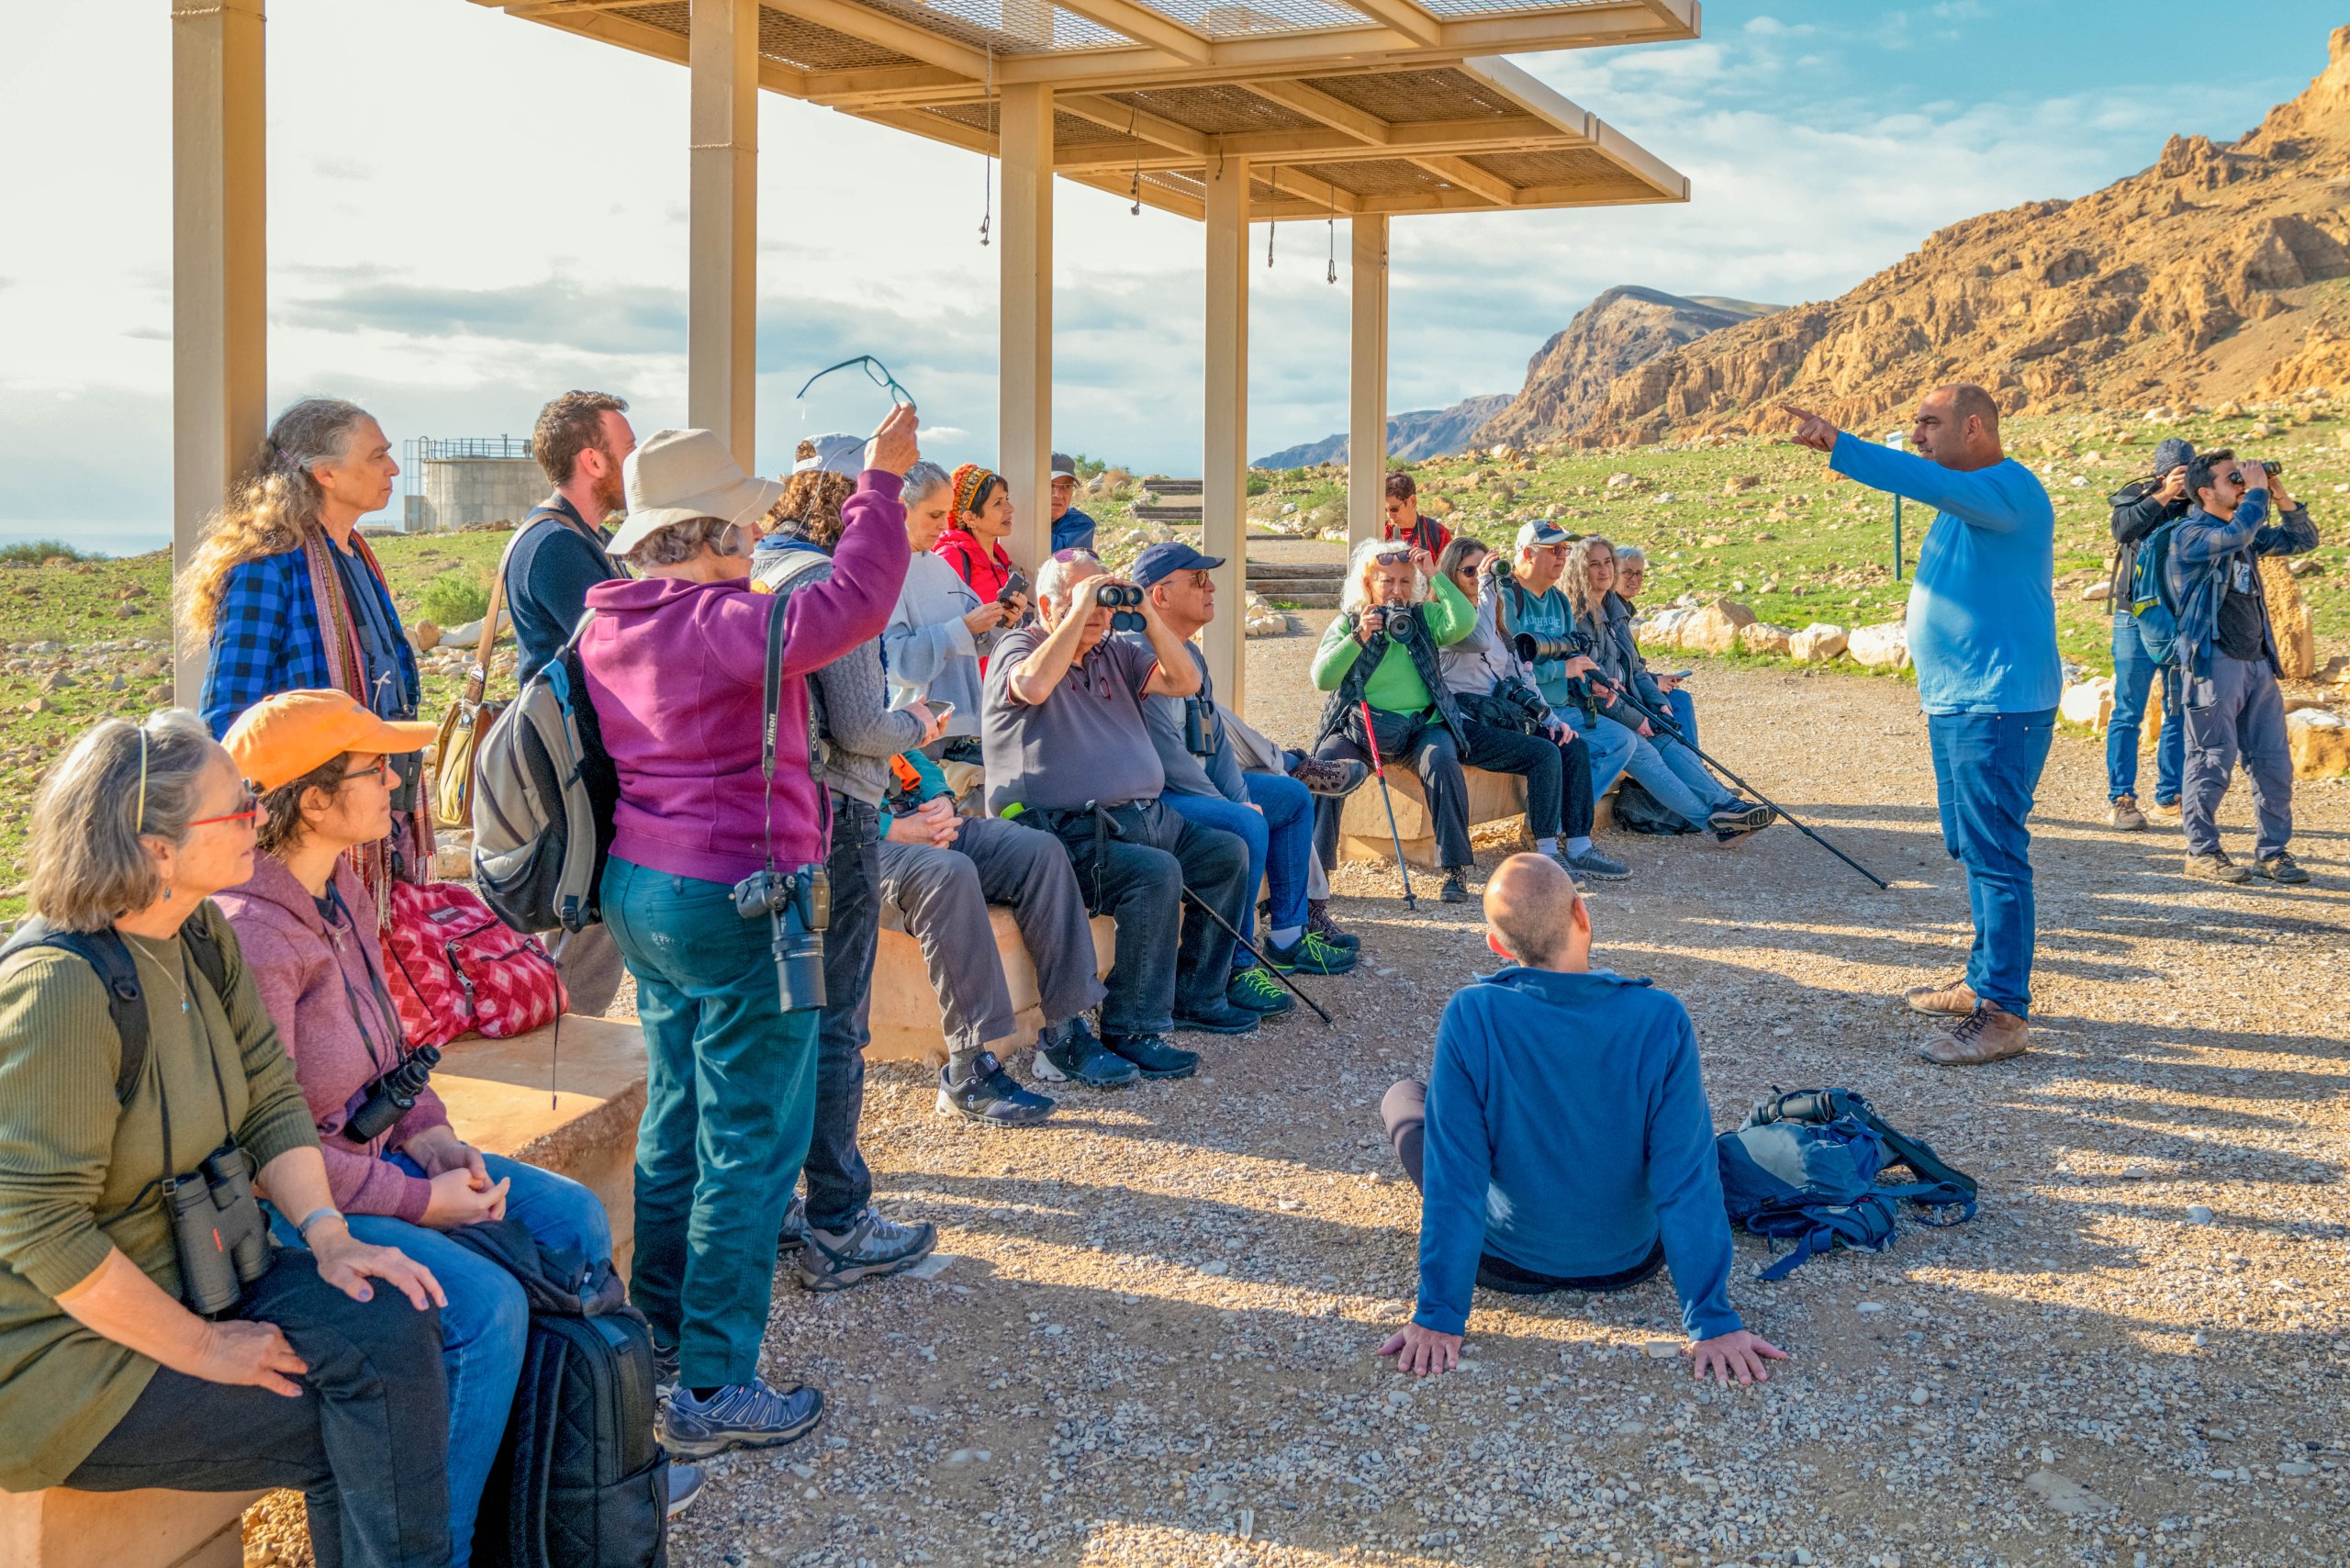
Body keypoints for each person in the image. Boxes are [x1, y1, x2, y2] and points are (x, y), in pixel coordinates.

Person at [213, 690, 676, 1560]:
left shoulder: (340, 885)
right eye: (374, 769)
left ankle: (570, 1476)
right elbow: (270, 1143)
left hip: (380, 1161)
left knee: (570, 1215)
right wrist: (419, 1202)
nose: (396, 782)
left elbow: (396, 1043)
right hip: (301, 1203)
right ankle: (442, 1543)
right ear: (312, 798)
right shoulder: (254, 934)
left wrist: (430, 1135)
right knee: (480, 1309)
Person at [0, 710, 452, 1564]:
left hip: (197, 1271)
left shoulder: (197, 929)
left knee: (392, 1321)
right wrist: (207, 1350)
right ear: (155, 847)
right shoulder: (59, 990)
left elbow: (269, 1097)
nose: (257, 815)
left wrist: (329, 1238)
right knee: (361, 1419)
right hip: (63, 1357)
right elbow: (39, 1229)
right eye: (236, 808)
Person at [578, 411, 914, 1456]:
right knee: (753, 1141)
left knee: (677, 1117)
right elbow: (854, 601)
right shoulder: (718, 622)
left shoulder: (610, 619)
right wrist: (879, 486)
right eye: (739, 526)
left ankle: (664, 1339)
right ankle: (717, 1387)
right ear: (707, 536)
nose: (752, 544)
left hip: (647, 888)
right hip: (740, 897)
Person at [1375, 855, 1787, 1385]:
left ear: (1499, 946)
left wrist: (1439, 1314)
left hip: (1503, 1261)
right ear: (1582, 915)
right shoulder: (1660, 1018)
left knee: (1404, 1098)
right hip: (1630, 1260)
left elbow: (1458, 1180)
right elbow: (1685, 1178)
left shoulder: (1471, 1013)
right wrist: (1712, 1320)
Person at [1785, 386, 2059, 1067]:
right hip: (1959, 704)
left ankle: (2003, 1010)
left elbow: (1923, 479)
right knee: (1972, 845)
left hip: (1996, 705)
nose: (1917, 434)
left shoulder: (2008, 487)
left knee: (1996, 853)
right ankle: (1982, 981)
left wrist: (1840, 446)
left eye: (1929, 422)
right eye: (1913, 423)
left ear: (1974, 427)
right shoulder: (1969, 499)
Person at [751, 438, 951, 1292]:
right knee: (836, 1019)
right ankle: (839, 1216)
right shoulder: (829, 586)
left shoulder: (759, 567)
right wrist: (926, 724)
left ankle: (779, 1208)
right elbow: (865, 726)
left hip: (757, 819)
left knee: (778, 1022)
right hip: (835, 814)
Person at [981, 552, 1258, 1063]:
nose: (1098, 615)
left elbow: (1184, 681)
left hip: (1146, 816)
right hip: (1068, 833)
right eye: (1082, 602)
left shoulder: (1115, 653)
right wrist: (1079, 609)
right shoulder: (1019, 646)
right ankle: (1132, 1027)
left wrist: (1146, 616)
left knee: (1226, 855)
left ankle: (1198, 994)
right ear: (1047, 605)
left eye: (1103, 602)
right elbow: (1034, 686)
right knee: (1154, 874)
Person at [180, 397, 430, 889]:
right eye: (376, 456)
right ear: (326, 474)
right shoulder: (265, 566)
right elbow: (228, 715)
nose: (393, 467)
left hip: (373, 807)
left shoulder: (356, 554)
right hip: (302, 833)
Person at [1130, 541, 1358, 1015]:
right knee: (1246, 822)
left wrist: (1235, 794)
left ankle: (1288, 937)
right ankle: (1235, 965)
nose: (1210, 586)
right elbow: (1167, 756)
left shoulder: (1192, 655)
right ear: (1159, 596)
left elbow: (1211, 742)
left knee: (1291, 796)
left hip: (1194, 787)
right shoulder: (1136, 653)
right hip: (1155, 796)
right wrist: (1231, 806)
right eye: (1197, 579)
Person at [1310, 539, 1572, 905]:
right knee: (1325, 768)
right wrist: (1359, 636)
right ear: (1368, 585)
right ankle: (1317, 874)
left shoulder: (1422, 618)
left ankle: (1454, 869)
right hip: (1363, 728)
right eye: (1387, 582)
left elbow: (1463, 624)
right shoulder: (1348, 623)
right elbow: (1323, 678)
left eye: (1405, 581)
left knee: (1443, 760)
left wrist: (1435, 574)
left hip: (1421, 726)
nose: (1397, 591)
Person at [499, 391, 639, 1014]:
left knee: (584, 922)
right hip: (573, 765)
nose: (637, 463)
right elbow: (624, 648)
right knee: (587, 918)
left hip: (578, 760)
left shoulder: (580, 539)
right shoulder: (556, 547)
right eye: (628, 449)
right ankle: (561, 1055)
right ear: (593, 461)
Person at [876, 746, 1102, 1121]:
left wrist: (939, 801)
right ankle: (968, 1074)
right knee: (949, 873)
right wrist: (894, 829)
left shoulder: (864, 690)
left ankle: (1064, 1034)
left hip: (912, 819)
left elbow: (907, 752)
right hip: (854, 842)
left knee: (1039, 850)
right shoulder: (786, 700)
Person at [1435, 532, 1630, 883]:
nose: (1479, 576)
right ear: (1450, 574)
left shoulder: (1495, 619)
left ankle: (1580, 846)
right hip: (1464, 722)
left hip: (1499, 715)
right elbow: (1476, 637)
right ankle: (1546, 854)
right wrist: (1486, 588)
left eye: (1485, 569)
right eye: (1469, 571)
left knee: (1572, 746)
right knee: (1543, 754)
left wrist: (1551, 719)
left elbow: (1520, 676)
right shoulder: (1446, 621)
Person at [2165, 454, 2319, 885]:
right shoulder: (2190, 534)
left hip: (2257, 663)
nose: (2239, 484)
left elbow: (2303, 539)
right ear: (2205, 492)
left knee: (2273, 763)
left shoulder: (2245, 534)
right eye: (2230, 479)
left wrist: (2276, 492)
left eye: (2241, 477)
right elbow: (2236, 534)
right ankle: (2202, 851)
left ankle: (2273, 854)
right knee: (2211, 760)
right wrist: (2253, 494)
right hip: (2213, 664)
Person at [1565, 535, 1772, 843]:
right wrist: (1638, 719)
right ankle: (1719, 821)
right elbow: (1599, 686)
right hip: (1598, 711)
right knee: (1645, 750)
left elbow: (1636, 669)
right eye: (1594, 564)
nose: (1604, 570)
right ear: (1581, 571)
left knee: (1670, 740)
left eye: (1608, 562)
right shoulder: (1579, 617)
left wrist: (1657, 701)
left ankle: (1726, 807)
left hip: (1627, 706)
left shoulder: (1616, 611)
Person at [1493, 523, 1639, 822]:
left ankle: (1559, 821)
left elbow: (1574, 652)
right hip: (1525, 712)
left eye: (1565, 550)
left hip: (1562, 708)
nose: (1562, 557)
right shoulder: (1506, 598)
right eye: (1554, 550)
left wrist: (1592, 683)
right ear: (1526, 554)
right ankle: (1550, 824)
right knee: (1594, 746)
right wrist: (1564, 669)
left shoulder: (1558, 600)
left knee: (1621, 742)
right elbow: (1508, 668)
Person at [884, 459, 1026, 754]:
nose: (943, 524)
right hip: (915, 738)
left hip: (962, 730)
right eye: (934, 514)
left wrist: (1003, 623)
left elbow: (974, 644)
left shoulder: (938, 566)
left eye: (946, 514)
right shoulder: (884, 570)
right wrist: (962, 628)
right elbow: (894, 664)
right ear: (900, 507)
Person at [2103, 439, 2194, 830]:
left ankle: (2169, 795)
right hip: (2134, 617)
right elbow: (2123, 530)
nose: (2182, 481)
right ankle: (2121, 798)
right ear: (2160, 472)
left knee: (2178, 708)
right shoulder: (2136, 497)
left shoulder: (2200, 505)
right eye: (2176, 473)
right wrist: (2163, 494)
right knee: (2127, 710)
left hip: (2180, 620)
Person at [1609, 544, 1697, 747]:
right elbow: (1616, 667)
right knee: (1680, 702)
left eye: (1640, 574)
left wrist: (1654, 679)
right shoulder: (1611, 610)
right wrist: (1654, 681)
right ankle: (1691, 764)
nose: (1635, 579)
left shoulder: (1622, 609)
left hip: (1632, 686)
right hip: (1619, 696)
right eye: (1628, 573)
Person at [933, 463, 1020, 607]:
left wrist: (1013, 620)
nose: (1010, 509)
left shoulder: (999, 556)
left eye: (1007, 500)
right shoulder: (951, 557)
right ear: (971, 518)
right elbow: (942, 619)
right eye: (998, 503)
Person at [1381, 470, 1452, 556]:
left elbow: (1447, 570)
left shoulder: (1439, 534)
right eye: (1385, 510)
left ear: (1413, 501)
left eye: (1394, 509)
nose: (1389, 515)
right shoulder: (1382, 533)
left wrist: (1429, 568)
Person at [1048, 452, 1097, 555]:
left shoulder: (1082, 524)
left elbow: (1060, 556)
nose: (1058, 495)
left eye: (1066, 486)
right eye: (1051, 485)